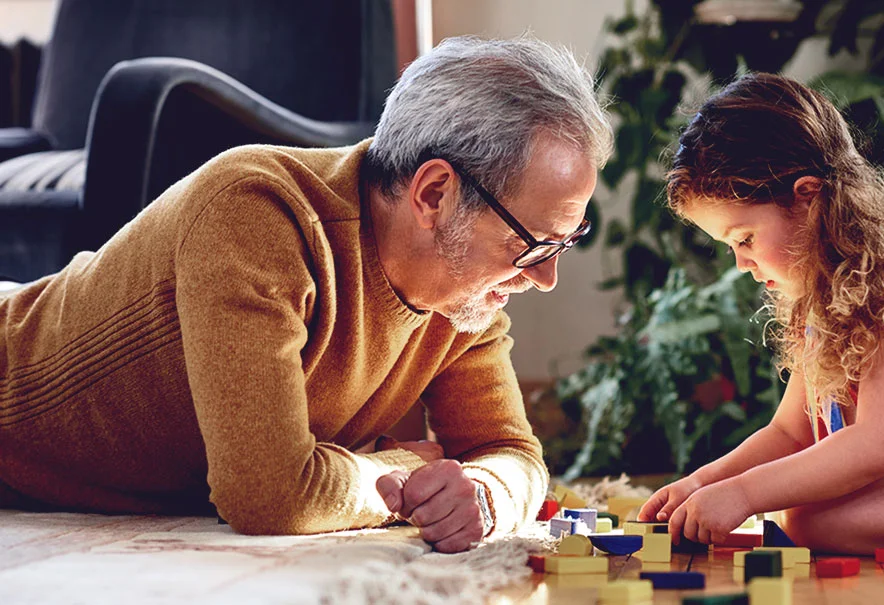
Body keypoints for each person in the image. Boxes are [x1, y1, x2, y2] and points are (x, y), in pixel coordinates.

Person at [0, 36, 612, 553]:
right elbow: (269, 494)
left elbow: (510, 452)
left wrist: (485, 493)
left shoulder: (464, 296)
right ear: (433, 194)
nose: (543, 276)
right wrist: (404, 467)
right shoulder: (255, 214)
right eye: (533, 243)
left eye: (564, 243)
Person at [639, 72, 884, 563]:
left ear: (809, 197)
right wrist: (704, 482)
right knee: (809, 517)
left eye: (744, 239)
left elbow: (878, 442)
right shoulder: (826, 288)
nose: (741, 263)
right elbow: (791, 432)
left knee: (810, 509)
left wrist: (743, 495)